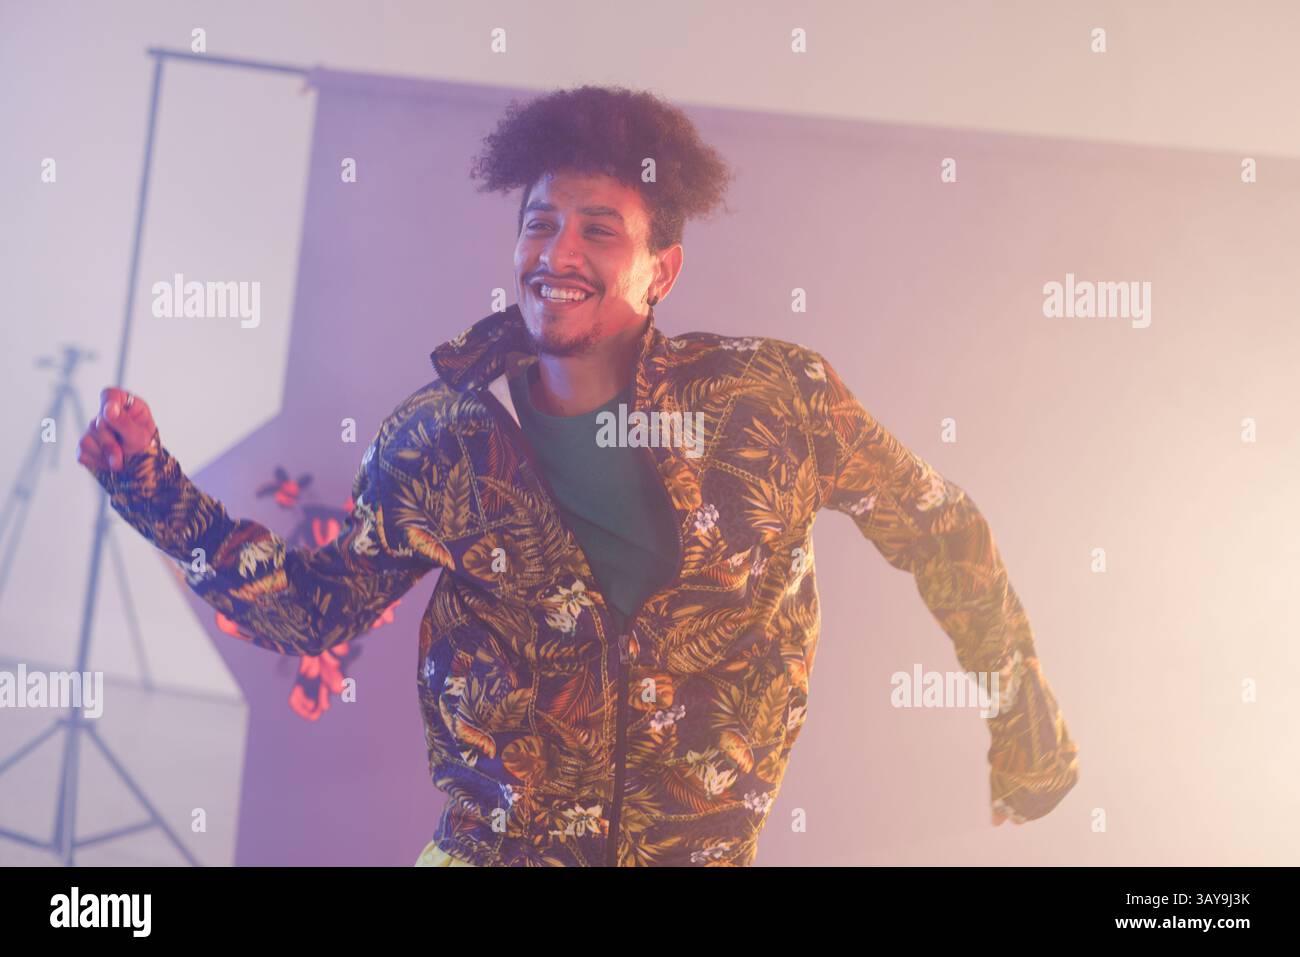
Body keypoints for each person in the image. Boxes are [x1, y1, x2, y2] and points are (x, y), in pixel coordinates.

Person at [80, 84, 1078, 867]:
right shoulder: (440, 444)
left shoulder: (770, 403)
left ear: (661, 271)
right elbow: (311, 614)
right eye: (539, 223)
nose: (558, 252)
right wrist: (155, 491)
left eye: (599, 229)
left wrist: (1021, 719)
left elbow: (938, 528)